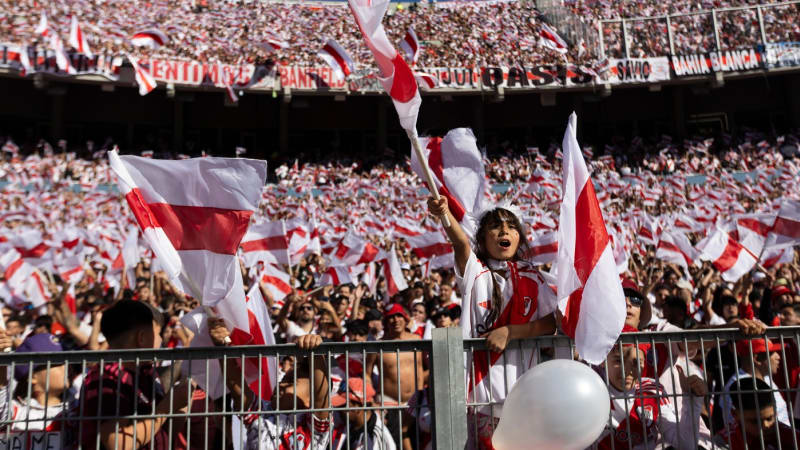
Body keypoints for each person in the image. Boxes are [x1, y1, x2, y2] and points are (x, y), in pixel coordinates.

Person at [428, 196, 558, 449]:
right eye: (495, 226)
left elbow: (549, 324)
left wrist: (510, 332)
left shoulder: (533, 276)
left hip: (525, 395)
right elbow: (460, 242)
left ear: (519, 237)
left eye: (511, 226)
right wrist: (444, 213)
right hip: (482, 398)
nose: (504, 231)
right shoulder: (475, 272)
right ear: (482, 239)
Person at [79, 300, 191, 450]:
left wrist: (183, 398)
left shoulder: (147, 373)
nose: (161, 340)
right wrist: (166, 407)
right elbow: (118, 444)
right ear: (142, 338)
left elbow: (162, 431)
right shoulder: (106, 379)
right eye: (158, 333)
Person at [208, 317, 331, 450]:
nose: (280, 385)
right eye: (283, 380)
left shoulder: (313, 428)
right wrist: (223, 344)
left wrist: (315, 351)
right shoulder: (262, 412)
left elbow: (321, 396)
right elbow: (238, 387)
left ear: (309, 400)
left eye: (290, 382)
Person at [594, 343, 706, 449]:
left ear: (644, 365)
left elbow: (686, 444)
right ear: (603, 361)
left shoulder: (651, 392)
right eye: (618, 360)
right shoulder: (591, 384)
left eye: (636, 362)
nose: (627, 370)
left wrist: (692, 401)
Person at [364, 303, 426, 450]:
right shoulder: (378, 345)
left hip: (416, 402)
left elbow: (425, 369)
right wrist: (370, 400)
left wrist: (423, 394)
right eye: (391, 317)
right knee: (393, 445)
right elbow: (366, 374)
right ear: (386, 322)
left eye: (399, 316)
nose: (396, 320)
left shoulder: (417, 340)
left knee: (417, 442)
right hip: (389, 404)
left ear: (406, 319)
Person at [720, 338, 790, 428]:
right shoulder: (740, 387)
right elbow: (744, 428)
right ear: (756, 359)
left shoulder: (765, 376)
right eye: (772, 353)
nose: (778, 357)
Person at [715, 377, 800, 449]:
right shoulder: (723, 443)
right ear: (735, 415)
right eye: (755, 421)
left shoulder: (792, 437)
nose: (765, 425)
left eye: (769, 418)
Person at [330, 377, 396, 449]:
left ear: (357, 407)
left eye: (342, 405)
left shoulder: (376, 438)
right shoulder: (350, 425)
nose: (338, 410)